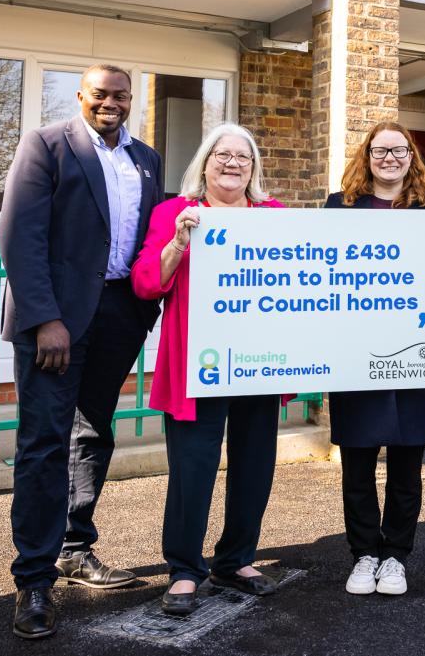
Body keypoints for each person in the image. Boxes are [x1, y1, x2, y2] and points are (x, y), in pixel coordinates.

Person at [0, 64, 163, 640]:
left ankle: (74, 547)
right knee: (44, 442)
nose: (111, 103)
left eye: (121, 96)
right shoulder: (46, 145)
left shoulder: (146, 158)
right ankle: (34, 580)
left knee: (93, 430)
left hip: (120, 315)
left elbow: (150, 236)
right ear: (81, 96)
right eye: (101, 95)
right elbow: (20, 235)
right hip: (58, 323)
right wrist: (45, 319)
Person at [130, 123, 287, 617]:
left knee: (255, 464)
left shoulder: (274, 215)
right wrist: (178, 243)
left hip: (261, 360)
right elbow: (145, 284)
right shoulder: (175, 213)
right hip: (199, 363)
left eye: (243, 157)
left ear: (254, 167)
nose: (233, 164)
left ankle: (236, 559)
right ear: (205, 161)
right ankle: (183, 568)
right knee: (193, 468)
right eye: (223, 155)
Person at [323, 121, 425, 597]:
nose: (390, 158)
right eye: (380, 150)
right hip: (355, 352)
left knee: (406, 463)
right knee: (356, 463)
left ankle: (396, 556)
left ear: (411, 157)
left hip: (411, 352)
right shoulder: (339, 207)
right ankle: (364, 554)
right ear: (367, 155)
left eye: (399, 150)